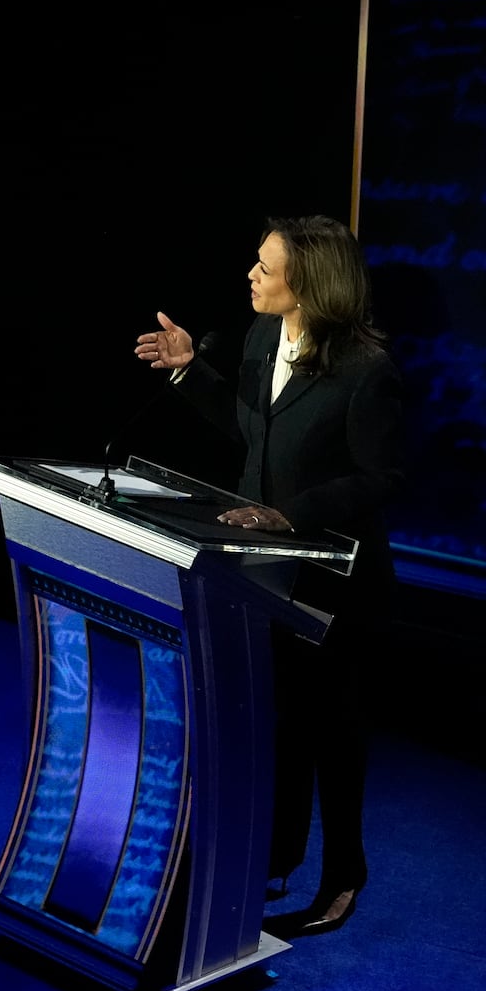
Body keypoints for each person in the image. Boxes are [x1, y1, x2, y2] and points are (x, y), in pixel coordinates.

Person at [133, 214, 404, 938]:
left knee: (333, 736)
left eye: (265, 266)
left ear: (306, 282)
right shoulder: (259, 338)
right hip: (262, 576)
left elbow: (381, 477)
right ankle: (278, 855)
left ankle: (345, 875)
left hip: (338, 586)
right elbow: (251, 429)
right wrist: (191, 371)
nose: (251, 275)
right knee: (279, 724)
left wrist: (294, 514)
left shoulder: (366, 371)